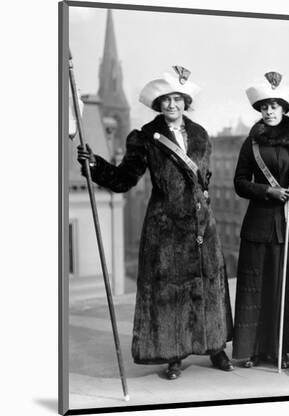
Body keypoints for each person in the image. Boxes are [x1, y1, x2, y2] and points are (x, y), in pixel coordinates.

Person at [77, 66, 234, 379]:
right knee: (169, 292)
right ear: (158, 103)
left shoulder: (201, 134)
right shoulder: (145, 137)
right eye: (166, 99)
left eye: (177, 98)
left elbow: (204, 179)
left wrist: (205, 211)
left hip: (203, 225)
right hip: (166, 228)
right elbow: (124, 179)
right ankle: (173, 354)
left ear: (185, 101)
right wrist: (95, 165)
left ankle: (216, 347)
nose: (172, 105)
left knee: (209, 286)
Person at [232, 72, 289, 368]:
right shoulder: (252, 143)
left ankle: (281, 349)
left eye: (274, 106)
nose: (269, 111)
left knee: (282, 287)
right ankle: (252, 350)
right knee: (254, 287)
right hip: (258, 225)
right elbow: (239, 182)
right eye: (264, 107)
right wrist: (268, 191)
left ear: (284, 108)